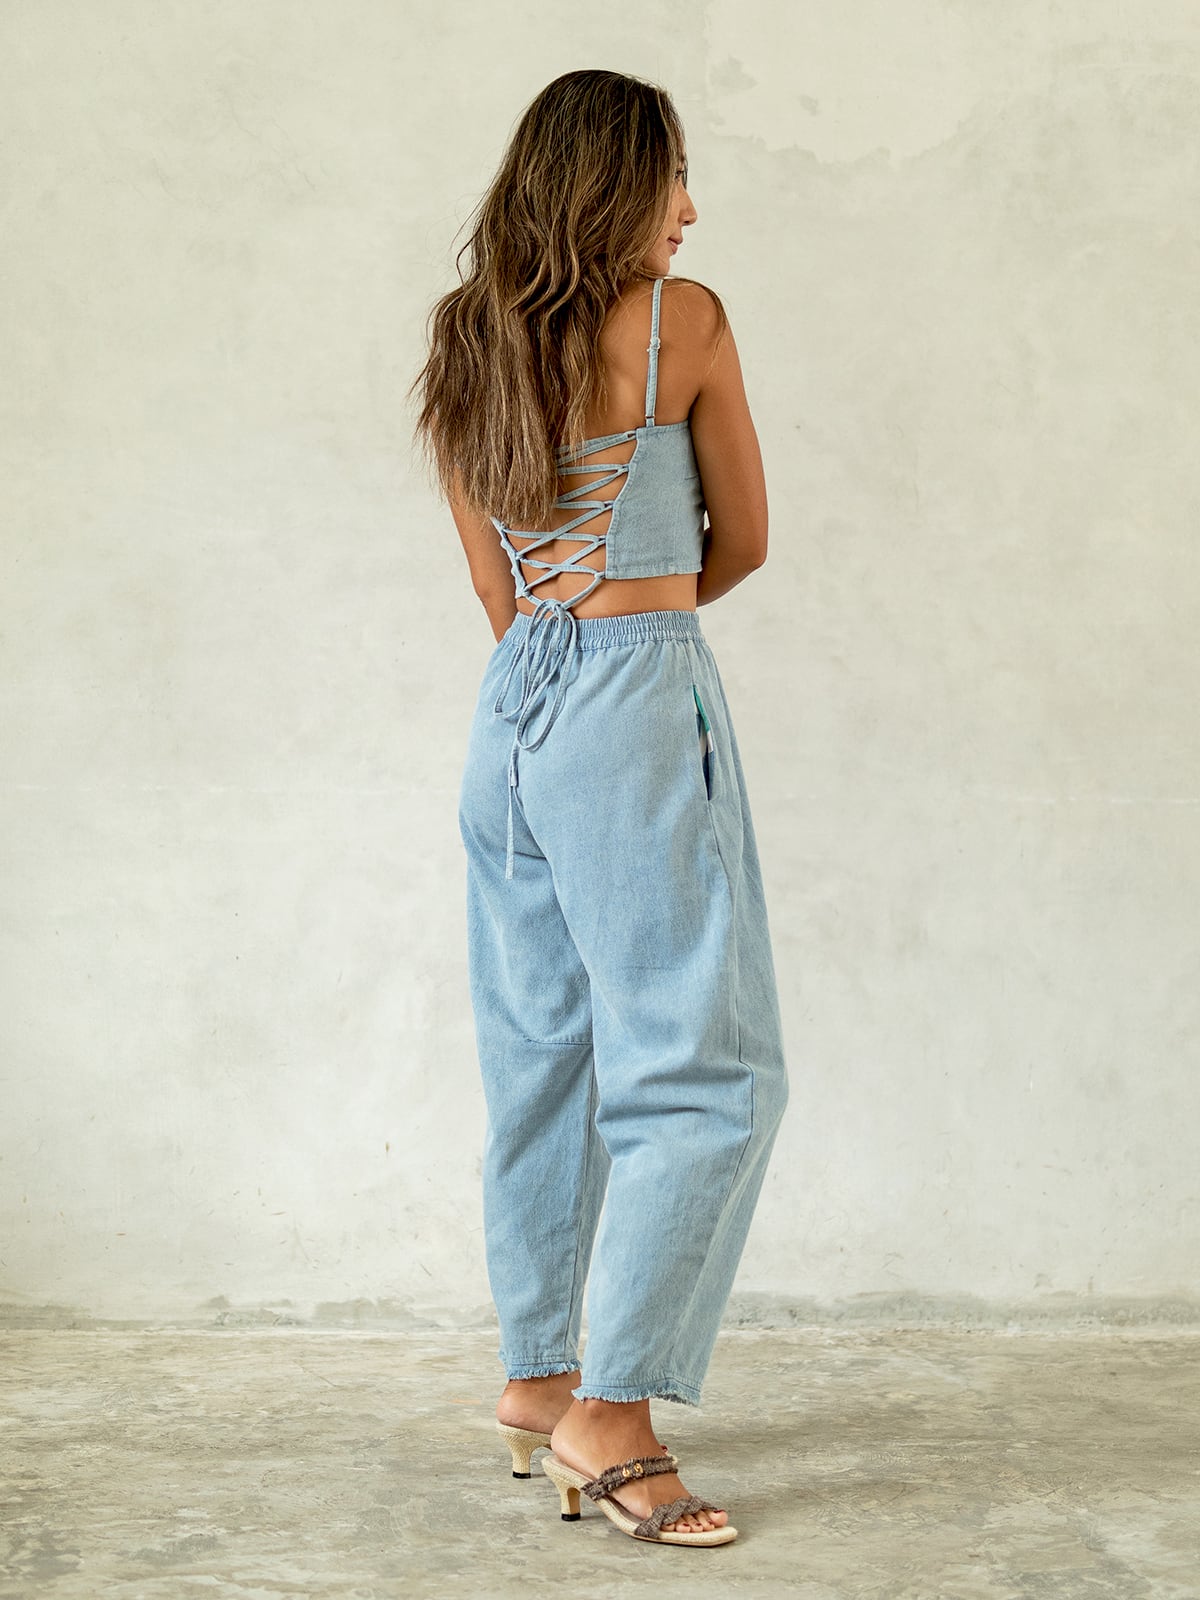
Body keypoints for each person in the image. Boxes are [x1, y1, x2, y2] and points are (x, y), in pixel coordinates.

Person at [411, 68, 788, 1549]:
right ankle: (613, 1417)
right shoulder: (680, 326)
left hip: (513, 712)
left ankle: (538, 1373)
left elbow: (494, 587)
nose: (688, 209)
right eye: (670, 176)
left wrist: (566, 650)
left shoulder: (465, 337)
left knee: (542, 1048)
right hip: (633, 694)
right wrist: (645, 624)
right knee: (709, 1070)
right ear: (611, 184)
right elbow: (742, 541)